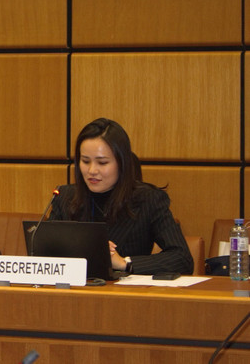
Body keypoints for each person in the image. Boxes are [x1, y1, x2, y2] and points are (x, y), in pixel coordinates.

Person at [49, 118, 193, 275]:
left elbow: (182, 258)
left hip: (126, 295)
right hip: (71, 294)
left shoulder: (148, 200)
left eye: (102, 163)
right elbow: (43, 255)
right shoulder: (64, 198)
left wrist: (124, 263)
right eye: (85, 161)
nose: (92, 170)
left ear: (122, 163)